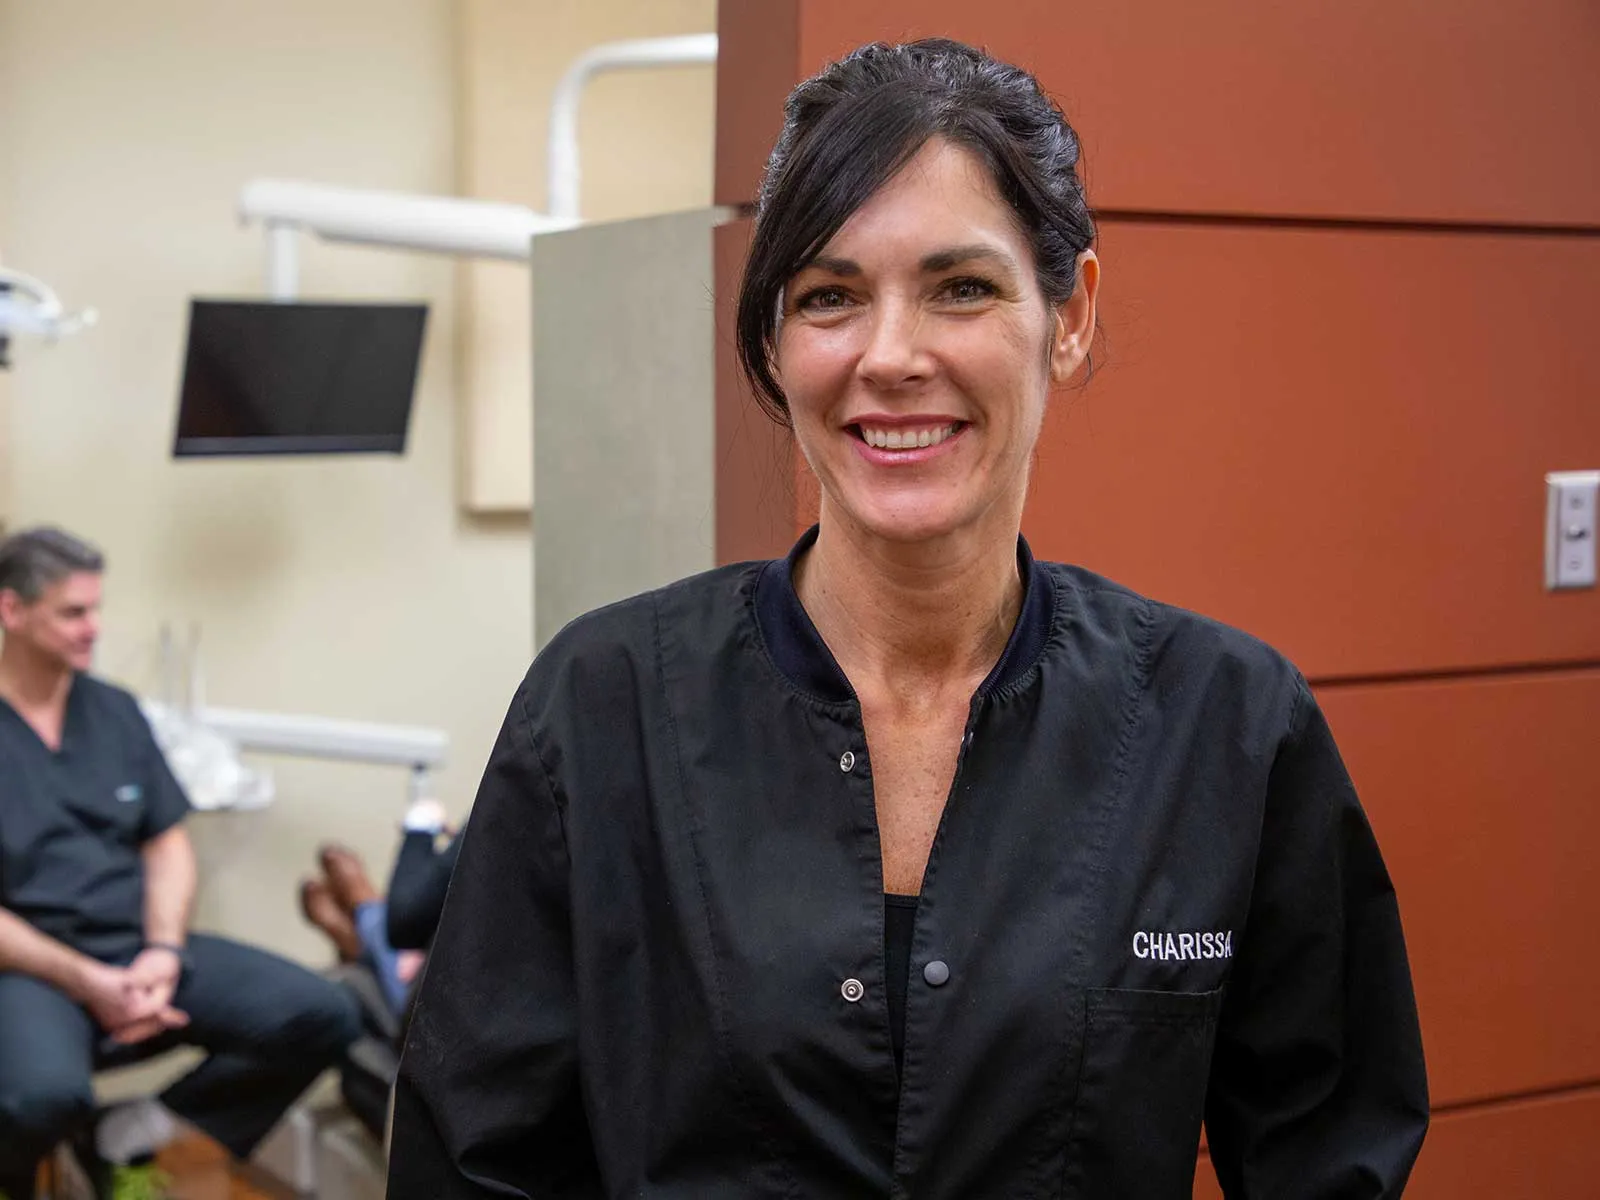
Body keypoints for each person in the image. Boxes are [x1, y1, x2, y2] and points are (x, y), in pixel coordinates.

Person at [389, 39, 1428, 1198]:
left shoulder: (1226, 725)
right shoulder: (603, 709)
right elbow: (470, 1171)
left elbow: (1331, 1161)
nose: (891, 356)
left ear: (1067, 315)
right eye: (830, 297)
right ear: (775, 345)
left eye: (961, 288)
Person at [0, 527, 363, 1199]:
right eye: (72, 613)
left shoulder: (112, 711)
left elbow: (166, 840)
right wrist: (86, 981)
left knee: (325, 1013)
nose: (93, 629)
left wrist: (163, 952)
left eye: (96, 610)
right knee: (41, 1098)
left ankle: (130, 1135)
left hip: (138, 947)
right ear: (11, 611)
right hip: (30, 967)